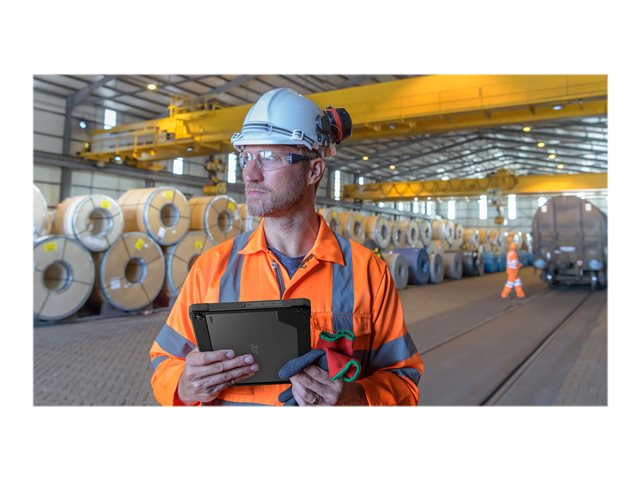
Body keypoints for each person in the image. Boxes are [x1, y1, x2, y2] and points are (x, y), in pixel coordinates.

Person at [149, 87, 424, 406]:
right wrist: (183, 386)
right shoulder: (212, 268)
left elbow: (404, 379)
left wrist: (356, 399)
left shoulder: (368, 272)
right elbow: (163, 360)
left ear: (313, 170)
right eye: (246, 157)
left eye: (268, 157)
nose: (249, 174)